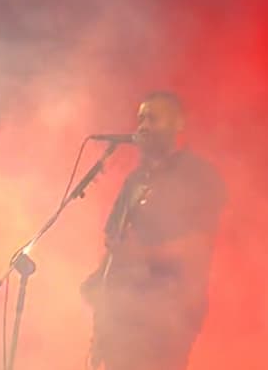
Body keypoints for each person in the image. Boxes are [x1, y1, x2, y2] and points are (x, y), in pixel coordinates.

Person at [82, 91, 226, 370]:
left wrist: (143, 255)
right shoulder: (134, 180)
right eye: (140, 119)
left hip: (167, 319)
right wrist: (100, 304)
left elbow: (198, 245)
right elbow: (115, 246)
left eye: (153, 118)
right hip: (122, 318)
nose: (143, 126)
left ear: (178, 124)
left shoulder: (198, 175)